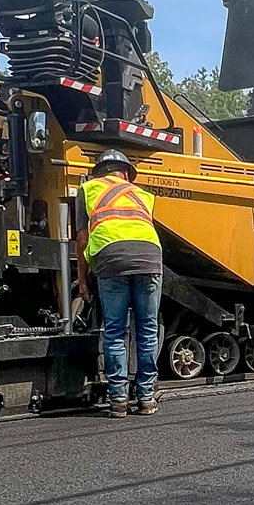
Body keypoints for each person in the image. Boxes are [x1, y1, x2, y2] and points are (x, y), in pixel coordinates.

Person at [75, 148, 163, 417]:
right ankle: (146, 399)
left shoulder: (88, 190)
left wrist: (82, 280)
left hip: (111, 259)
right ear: (126, 174)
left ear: (98, 173)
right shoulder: (144, 196)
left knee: (115, 330)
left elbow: (81, 239)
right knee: (147, 329)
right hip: (149, 257)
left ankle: (118, 402)